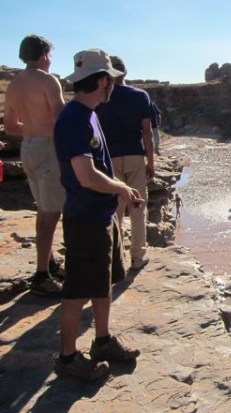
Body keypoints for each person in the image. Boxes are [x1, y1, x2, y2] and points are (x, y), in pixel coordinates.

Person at [53, 48, 144, 381]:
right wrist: (120, 188)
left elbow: (96, 170)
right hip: (86, 218)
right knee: (77, 291)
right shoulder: (74, 118)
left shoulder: (88, 112)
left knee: (102, 282)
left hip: (100, 215)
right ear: (103, 81)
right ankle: (66, 359)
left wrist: (118, 188)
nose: (113, 87)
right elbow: (85, 175)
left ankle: (102, 340)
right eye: (112, 82)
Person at [4, 35, 66, 296]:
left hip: (28, 147)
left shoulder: (14, 84)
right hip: (48, 148)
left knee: (43, 208)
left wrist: (31, 128)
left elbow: (9, 126)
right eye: (50, 55)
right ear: (43, 55)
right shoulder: (47, 80)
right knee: (51, 213)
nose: (50, 60)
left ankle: (49, 262)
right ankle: (41, 276)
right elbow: (63, 119)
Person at [96, 56, 154, 270]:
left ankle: (115, 257)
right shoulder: (140, 96)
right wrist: (151, 161)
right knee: (137, 206)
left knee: (115, 209)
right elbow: (147, 132)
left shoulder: (100, 98)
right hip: (135, 156)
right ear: (125, 73)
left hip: (109, 159)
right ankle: (138, 257)